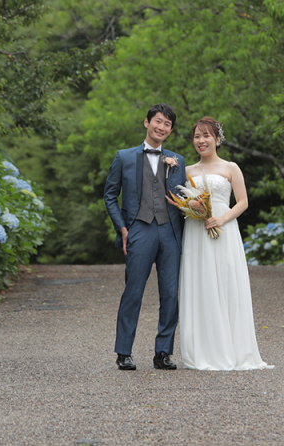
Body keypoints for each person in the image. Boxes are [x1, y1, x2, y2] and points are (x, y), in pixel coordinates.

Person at [179, 117, 273, 371]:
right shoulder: (186, 170)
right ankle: (203, 350)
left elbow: (242, 202)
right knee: (201, 284)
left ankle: (233, 349)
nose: (201, 141)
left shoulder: (231, 167)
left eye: (206, 136)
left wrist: (221, 218)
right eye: (197, 136)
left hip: (224, 229)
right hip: (196, 232)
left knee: (226, 283)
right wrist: (194, 208)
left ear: (217, 140)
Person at [104, 104, 187, 371]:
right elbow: (110, 195)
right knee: (134, 291)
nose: (161, 128)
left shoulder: (178, 160)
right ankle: (124, 352)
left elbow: (185, 197)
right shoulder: (124, 157)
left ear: (171, 131)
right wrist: (123, 228)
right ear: (146, 122)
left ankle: (163, 352)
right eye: (158, 122)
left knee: (171, 294)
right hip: (139, 229)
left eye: (167, 125)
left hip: (171, 232)